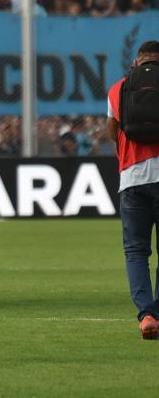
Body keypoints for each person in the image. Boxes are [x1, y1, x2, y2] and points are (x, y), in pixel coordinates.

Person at [106, 40, 159, 340]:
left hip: (134, 177)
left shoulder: (120, 88)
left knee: (137, 251)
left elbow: (112, 131)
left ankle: (147, 314)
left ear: (138, 61)